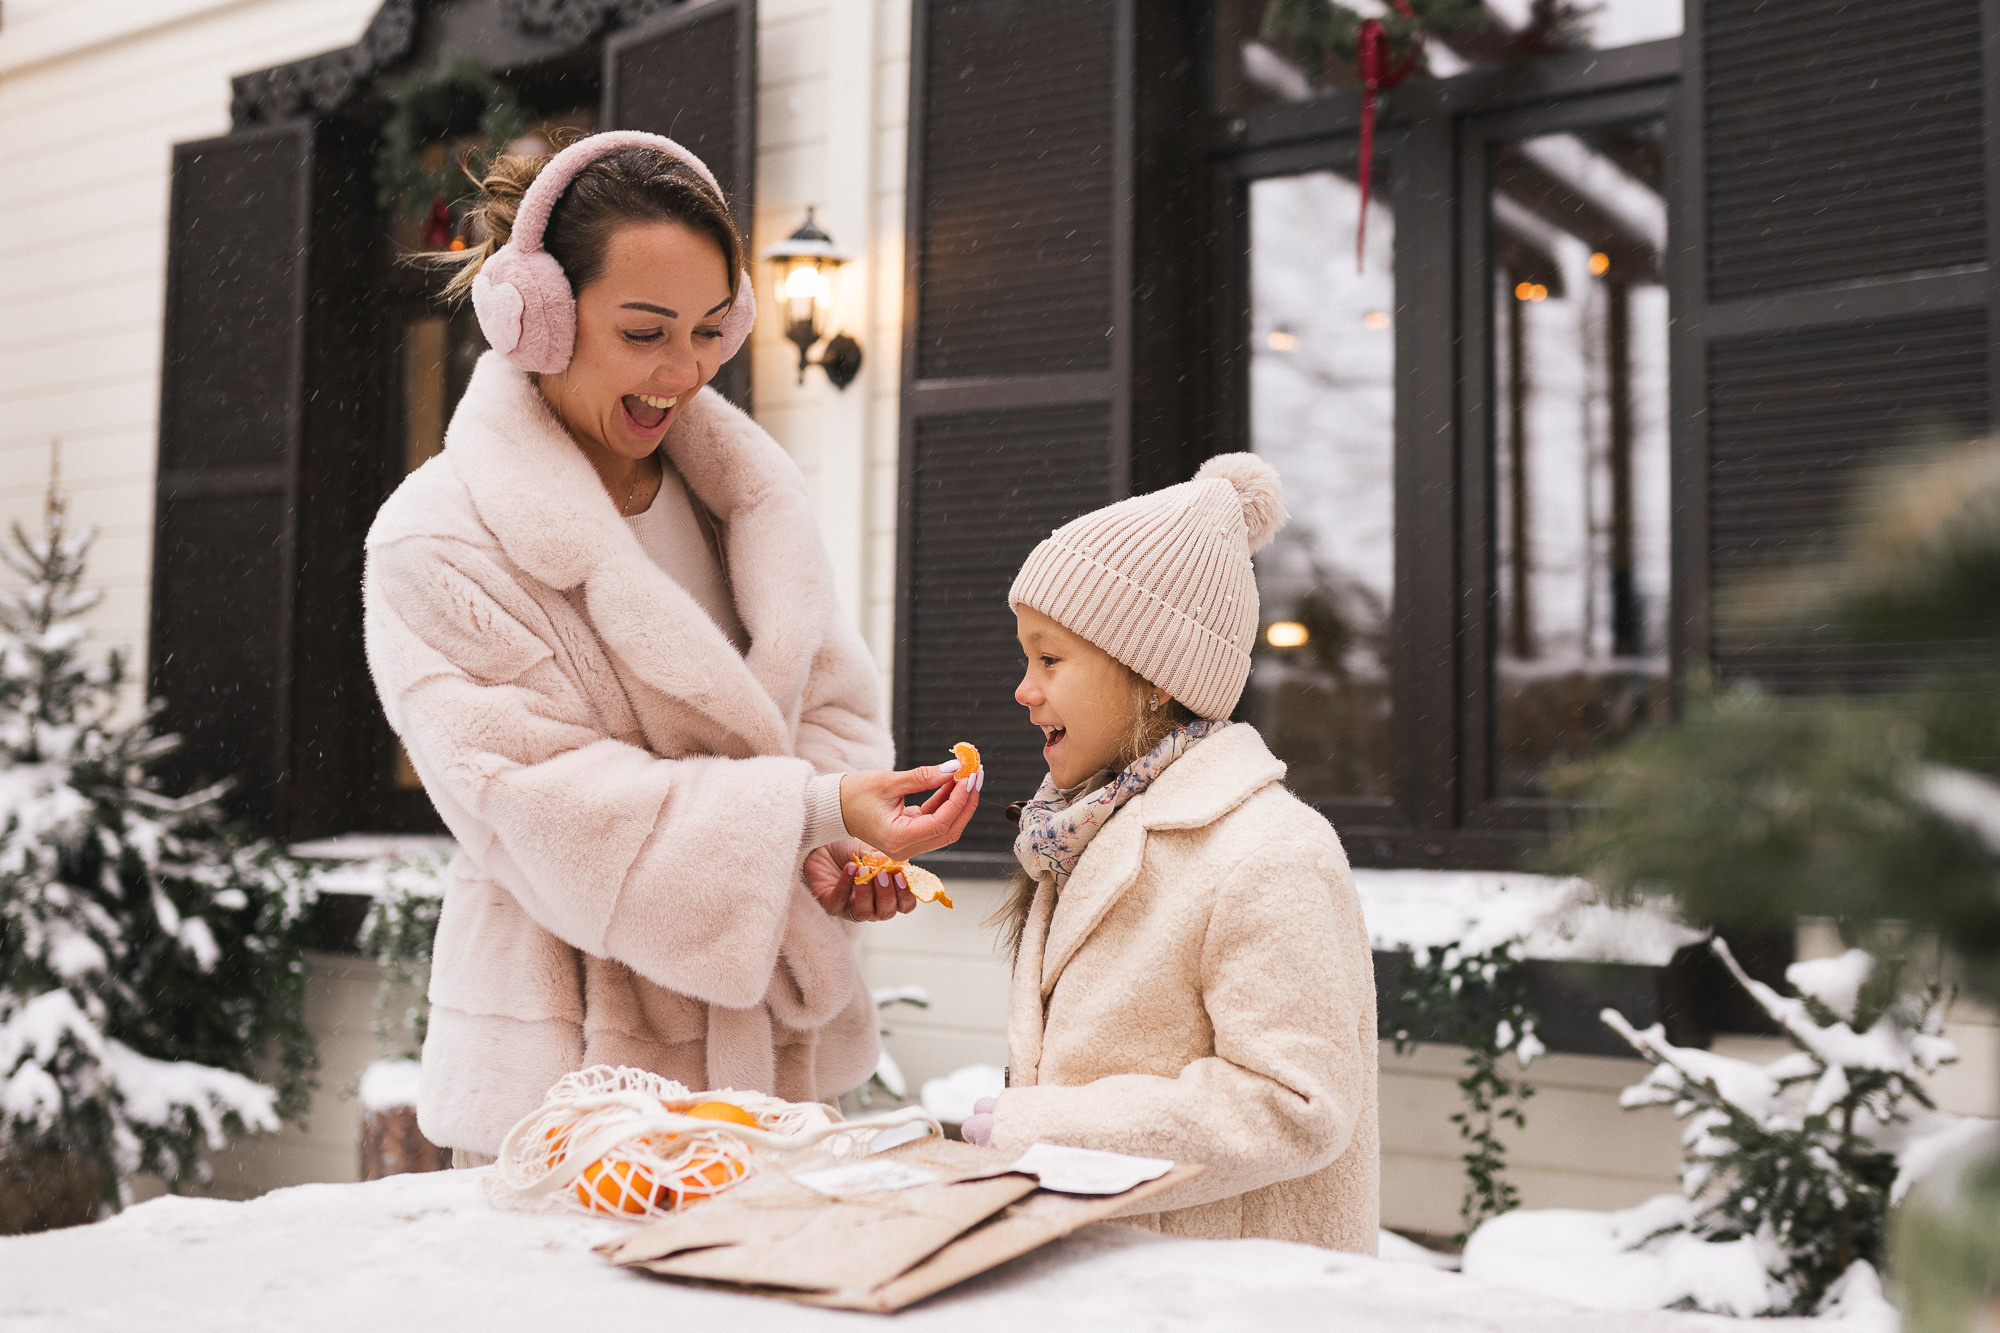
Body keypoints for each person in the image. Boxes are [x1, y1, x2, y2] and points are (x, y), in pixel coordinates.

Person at [363, 131, 981, 1161]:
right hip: (573, 1088)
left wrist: (836, 852)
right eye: (645, 331)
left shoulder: (746, 501)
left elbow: (828, 704)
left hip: (769, 1074)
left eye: (708, 330)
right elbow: (539, 800)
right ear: (539, 318)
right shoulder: (437, 541)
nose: (684, 370)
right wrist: (810, 809)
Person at [959, 454, 1379, 1253]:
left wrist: (1051, 1132)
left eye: (1050, 658)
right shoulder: (1081, 830)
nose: (1023, 687)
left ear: (1152, 676)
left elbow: (1296, 1105)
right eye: (1025, 658)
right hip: (1112, 1277)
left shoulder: (1269, 852)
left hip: (1224, 1293)